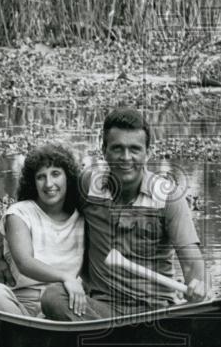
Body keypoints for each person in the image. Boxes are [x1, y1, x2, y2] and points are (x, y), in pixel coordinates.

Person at [38, 106, 206, 320]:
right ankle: (121, 338)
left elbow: (193, 265)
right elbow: (37, 210)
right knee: (53, 296)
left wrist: (197, 290)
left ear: (148, 152)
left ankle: (114, 340)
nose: (126, 157)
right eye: (117, 148)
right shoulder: (87, 186)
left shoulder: (168, 198)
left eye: (135, 149)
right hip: (101, 309)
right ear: (104, 150)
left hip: (154, 311)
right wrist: (3, 251)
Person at [0, 143, 87, 317]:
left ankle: (35, 333)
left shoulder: (82, 217)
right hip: (21, 305)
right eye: (41, 177)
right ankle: (28, 330)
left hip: (63, 302)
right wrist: (66, 277)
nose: (49, 184)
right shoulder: (19, 213)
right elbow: (25, 263)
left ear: (67, 177)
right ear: (33, 182)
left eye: (55, 174)